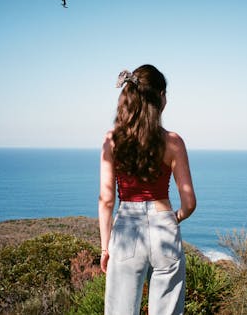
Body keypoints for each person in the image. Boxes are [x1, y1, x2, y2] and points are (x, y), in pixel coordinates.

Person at [98, 64, 197, 315]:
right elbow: (189, 203)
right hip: (164, 227)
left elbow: (106, 200)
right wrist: (174, 218)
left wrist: (105, 247)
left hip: (126, 230)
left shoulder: (112, 140)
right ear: (159, 97)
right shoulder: (173, 142)